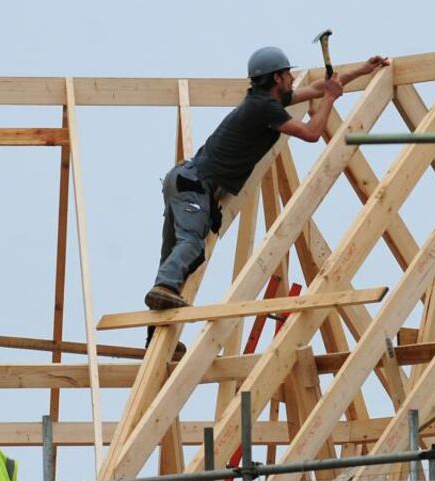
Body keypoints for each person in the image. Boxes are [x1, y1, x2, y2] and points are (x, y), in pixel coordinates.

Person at [144, 46, 390, 311]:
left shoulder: (264, 102)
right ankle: (163, 289)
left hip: (184, 180)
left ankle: (155, 329)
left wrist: (361, 70)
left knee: (173, 255)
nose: (293, 79)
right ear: (276, 78)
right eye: (288, 74)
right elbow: (311, 132)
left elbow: (318, 88)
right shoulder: (265, 109)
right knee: (191, 244)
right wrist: (330, 100)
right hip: (194, 184)